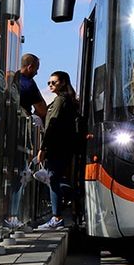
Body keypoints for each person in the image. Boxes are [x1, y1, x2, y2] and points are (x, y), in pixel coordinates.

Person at [4, 53, 47, 230]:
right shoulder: (28, 84)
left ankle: (6, 215)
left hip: (5, 133)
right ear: (29, 67)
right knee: (21, 173)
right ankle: (13, 216)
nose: (36, 73)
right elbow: (42, 109)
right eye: (36, 69)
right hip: (21, 132)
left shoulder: (10, 79)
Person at [36, 71, 79, 230]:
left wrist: (43, 148)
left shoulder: (60, 101)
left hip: (57, 147)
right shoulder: (69, 100)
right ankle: (61, 210)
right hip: (65, 147)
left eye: (53, 82)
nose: (50, 85)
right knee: (55, 178)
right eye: (48, 83)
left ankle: (57, 216)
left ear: (62, 83)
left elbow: (51, 126)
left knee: (54, 179)